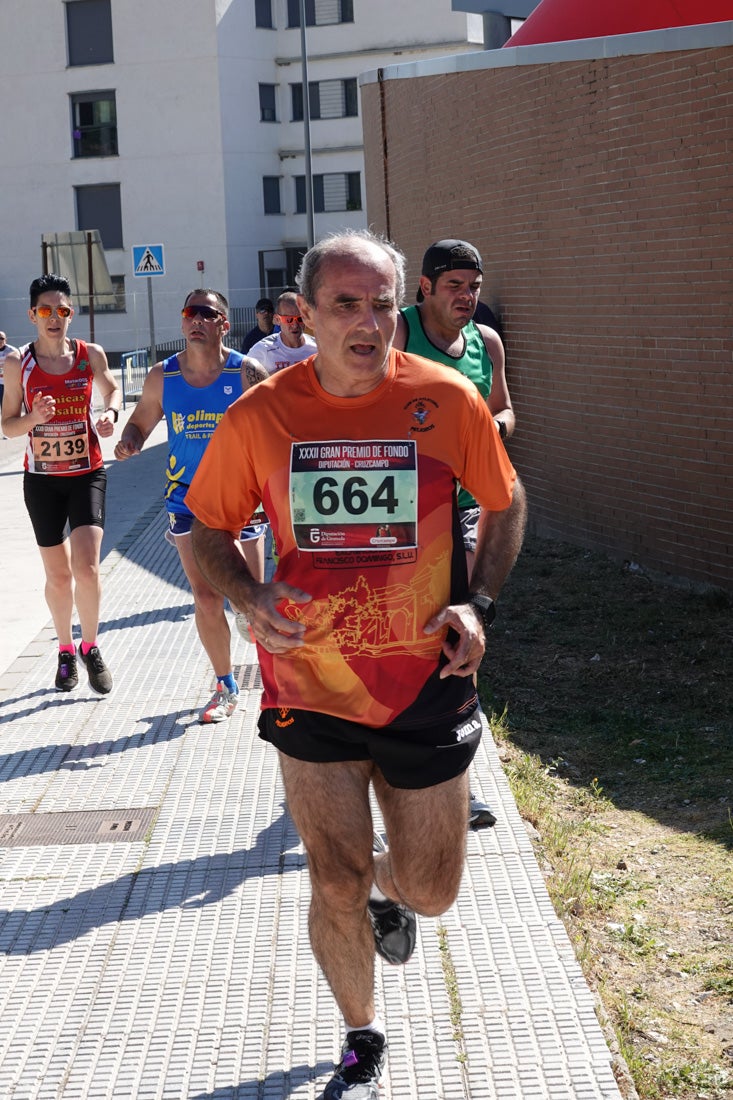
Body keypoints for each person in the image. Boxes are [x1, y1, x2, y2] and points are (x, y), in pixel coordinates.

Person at [186, 229, 526, 1099]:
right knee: (331, 875)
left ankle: (391, 891)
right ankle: (360, 1030)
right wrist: (250, 599)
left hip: (426, 680)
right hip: (309, 683)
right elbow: (207, 530)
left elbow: (506, 497)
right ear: (305, 315)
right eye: (346, 305)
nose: (368, 322)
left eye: (380, 304)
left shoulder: (445, 398)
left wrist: (476, 604)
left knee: (431, 888)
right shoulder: (261, 416)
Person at [394, 238, 516, 831]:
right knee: (408, 639)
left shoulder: (485, 342)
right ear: (425, 287)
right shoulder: (398, 332)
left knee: (459, 636)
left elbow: (507, 411)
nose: (467, 297)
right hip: (404, 514)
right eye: (454, 287)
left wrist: (482, 427)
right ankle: (393, 764)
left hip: (465, 508)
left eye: (473, 287)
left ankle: (461, 785)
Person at [114, 289, 269, 723]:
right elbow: (142, 420)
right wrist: (129, 441)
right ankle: (225, 686)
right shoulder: (163, 376)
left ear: (224, 323)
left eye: (207, 313)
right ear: (183, 323)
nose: (196, 320)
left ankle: (263, 652)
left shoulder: (247, 372)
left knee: (250, 598)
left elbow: (271, 431)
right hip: (187, 499)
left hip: (242, 499)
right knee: (204, 597)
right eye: (189, 313)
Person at [1, 273, 120, 694]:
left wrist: (110, 415)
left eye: (63, 310)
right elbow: (8, 426)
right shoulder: (18, 362)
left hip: (87, 472)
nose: (55, 318)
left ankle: (91, 646)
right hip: (42, 482)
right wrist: (33, 419)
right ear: (33, 315)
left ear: (72, 314)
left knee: (86, 569)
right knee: (58, 578)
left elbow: (112, 391)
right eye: (46, 311)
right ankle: (65, 650)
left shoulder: (91, 354)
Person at [247, 289, 316, 375]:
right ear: (277, 320)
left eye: (299, 319)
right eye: (289, 319)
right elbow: (245, 383)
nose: (295, 325)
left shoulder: (317, 348)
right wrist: (273, 378)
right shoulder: (263, 350)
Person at [0, 330, 19, 416]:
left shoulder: (12, 351)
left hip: (8, 383)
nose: (0, 341)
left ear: (5, 340)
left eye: (1, 338)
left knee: (6, 406)